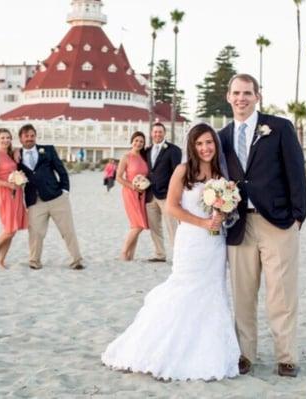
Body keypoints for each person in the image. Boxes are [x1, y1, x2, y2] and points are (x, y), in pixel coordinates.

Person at [102, 123, 240, 381]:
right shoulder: (183, 170)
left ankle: (207, 350)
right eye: (199, 144)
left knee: (212, 292)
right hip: (191, 240)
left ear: (215, 144)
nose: (205, 148)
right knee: (183, 288)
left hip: (215, 245)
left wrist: (223, 212)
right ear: (192, 147)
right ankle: (161, 347)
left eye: (209, 142)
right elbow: (172, 208)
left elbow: (227, 207)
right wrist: (202, 223)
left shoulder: (222, 174)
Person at [218, 73, 306, 378]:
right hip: (239, 225)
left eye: (247, 93)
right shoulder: (223, 136)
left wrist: (297, 216)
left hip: (278, 223)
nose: (241, 98)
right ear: (228, 96)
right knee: (243, 294)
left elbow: (296, 171)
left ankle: (287, 356)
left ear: (257, 96)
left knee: (281, 293)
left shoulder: (279, 127)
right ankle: (245, 355)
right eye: (236, 93)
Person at [17, 124, 84, 270]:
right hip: (34, 201)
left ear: (35, 136)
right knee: (35, 233)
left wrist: (65, 190)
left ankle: (76, 260)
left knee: (68, 231)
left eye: (32, 135)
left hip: (57, 198)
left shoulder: (48, 150)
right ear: (20, 138)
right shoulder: (17, 156)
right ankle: (34, 261)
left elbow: (61, 170)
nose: (29, 138)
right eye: (26, 136)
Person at [0, 128, 28, 268]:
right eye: (2, 138)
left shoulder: (10, 154)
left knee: (12, 230)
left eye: (8, 138)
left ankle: (0, 261)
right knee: (9, 229)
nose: (5, 140)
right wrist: (8, 185)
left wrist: (16, 151)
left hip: (17, 193)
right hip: (4, 193)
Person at [145, 122, 182, 262]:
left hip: (167, 195)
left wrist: (175, 194)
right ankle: (159, 254)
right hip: (150, 195)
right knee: (155, 227)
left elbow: (177, 174)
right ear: (151, 133)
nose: (157, 134)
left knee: (172, 227)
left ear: (164, 133)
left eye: (160, 132)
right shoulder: (147, 151)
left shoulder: (173, 150)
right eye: (155, 132)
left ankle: (178, 255)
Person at [115, 132, 149, 261]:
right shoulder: (126, 157)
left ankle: (130, 255)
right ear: (132, 141)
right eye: (136, 140)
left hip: (143, 193)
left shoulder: (144, 157)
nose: (138, 143)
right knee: (138, 225)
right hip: (130, 192)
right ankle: (124, 253)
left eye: (141, 141)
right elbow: (118, 177)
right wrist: (132, 186)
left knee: (135, 224)